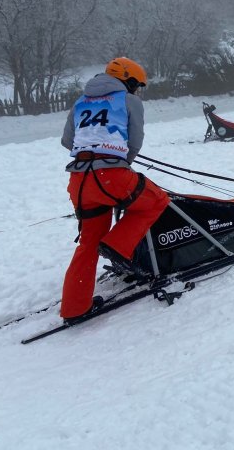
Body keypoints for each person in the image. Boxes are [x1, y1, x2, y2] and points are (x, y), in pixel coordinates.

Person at [59, 57, 169, 322]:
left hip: (79, 180)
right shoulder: (129, 101)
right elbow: (135, 141)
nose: (138, 91)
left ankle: (74, 308)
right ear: (128, 80)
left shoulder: (80, 102)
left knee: (87, 244)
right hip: (112, 177)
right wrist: (118, 158)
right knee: (156, 201)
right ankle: (116, 247)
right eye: (137, 85)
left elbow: (67, 141)